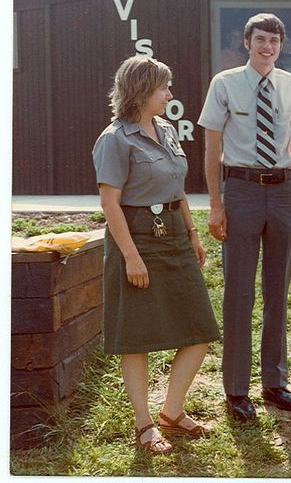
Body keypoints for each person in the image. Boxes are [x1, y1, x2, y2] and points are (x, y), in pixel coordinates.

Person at [92, 55, 220, 454]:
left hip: (175, 236)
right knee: (136, 338)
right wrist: (131, 257)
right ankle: (145, 424)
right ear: (142, 91)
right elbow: (110, 204)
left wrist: (194, 234)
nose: (170, 93)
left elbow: (178, 188)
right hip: (137, 238)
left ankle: (172, 412)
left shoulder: (166, 130)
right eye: (164, 87)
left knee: (200, 329)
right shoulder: (114, 139)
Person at [198, 13, 291, 422]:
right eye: (260, 39)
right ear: (247, 42)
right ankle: (236, 389)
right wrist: (216, 203)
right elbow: (212, 149)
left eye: (275, 41)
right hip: (242, 190)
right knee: (239, 293)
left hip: (282, 191)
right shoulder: (224, 84)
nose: (268, 47)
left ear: (282, 46)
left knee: (277, 291)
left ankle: (275, 382)